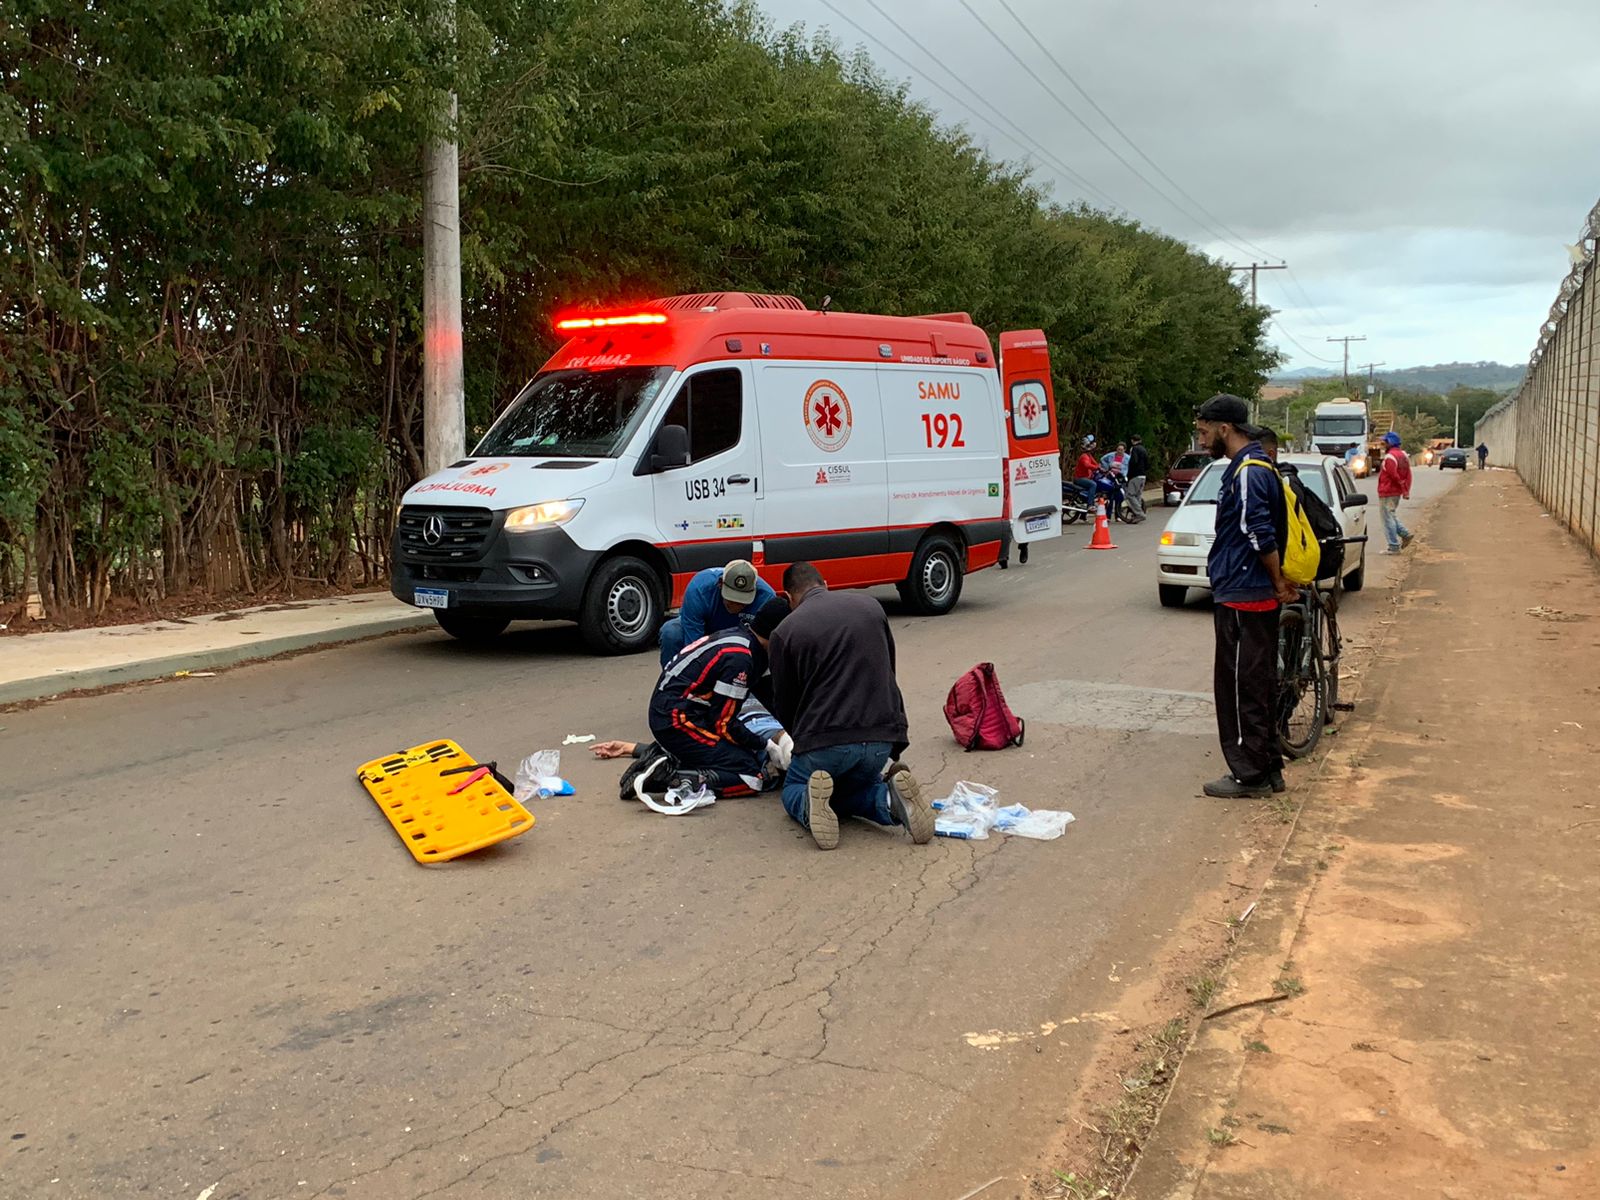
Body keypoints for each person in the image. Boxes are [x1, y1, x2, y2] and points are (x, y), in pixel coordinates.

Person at [768, 561, 933, 850]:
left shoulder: (785, 631)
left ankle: (809, 803)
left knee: (794, 787)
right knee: (856, 788)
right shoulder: (871, 608)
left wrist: (805, 743)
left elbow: (784, 704)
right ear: (825, 583)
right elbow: (888, 670)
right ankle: (890, 802)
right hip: (882, 738)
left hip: (826, 743)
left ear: (788, 596)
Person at [1195, 394, 1294, 800]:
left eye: (1204, 433)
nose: (1201, 441)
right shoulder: (1253, 466)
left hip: (1244, 593)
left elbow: (1259, 533)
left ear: (1225, 429)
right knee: (1258, 681)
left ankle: (1248, 773)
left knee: (1239, 687)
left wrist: (1276, 581)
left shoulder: (1248, 472)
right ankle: (1268, 765)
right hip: (1248, 590)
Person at [639, 598, 794, 798]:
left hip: (682, 712)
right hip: (676, 720)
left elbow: (771, 699)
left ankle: (671, 760)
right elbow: (723, 724)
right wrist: (766, 744)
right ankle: (672, 777)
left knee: (740, 755)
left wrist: (792, 734)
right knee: (751, 775)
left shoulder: (746, 643)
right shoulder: (740, 659)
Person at [657, 559, 776, 666]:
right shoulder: (699, 590)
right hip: (706, 631)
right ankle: (672, 682)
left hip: (745, 639)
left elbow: (767, 645)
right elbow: (693, 647)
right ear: (720, 584)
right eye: (731, 599)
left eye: (742, 601)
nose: (736, 605)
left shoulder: (766, 598)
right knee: (671, 632)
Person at [1376, 431, 1414, 554]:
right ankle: (1405, 534)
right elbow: (1408, 474)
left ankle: (1393, 546)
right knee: (1390, 515)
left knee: (1387, 518)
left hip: (1388, 491)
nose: (1383, 444)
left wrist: (1403, 488)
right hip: (1395, 492)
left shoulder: (1390, 458)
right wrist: (1405, 490)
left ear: (1390, 443)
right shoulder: (1403, 456)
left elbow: (1394, 475)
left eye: (1385, 442)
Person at [1124, 436, 1150, 523]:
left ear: (1132, 441)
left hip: (1135, 475)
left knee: (1130, 495)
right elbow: (1147, 463)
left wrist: (1129, 474)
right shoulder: (1144, 449)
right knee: (1137, 496)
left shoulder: (1134, 449)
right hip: (1143, 476)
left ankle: (1139, 514)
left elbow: (1133, 461)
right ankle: (1136, 515)